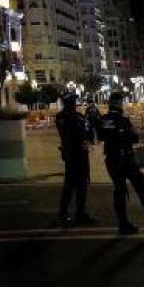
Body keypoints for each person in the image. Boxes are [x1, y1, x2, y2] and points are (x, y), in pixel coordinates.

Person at [98, 92, 144, 235]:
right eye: (122, 102)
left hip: (112, 159)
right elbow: (133, 138)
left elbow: (101, 136)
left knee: (119, 191)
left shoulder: (104, 119)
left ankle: (123, 223)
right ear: (119, 104)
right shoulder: (123, 120)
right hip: (126, 159)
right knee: (141, 188)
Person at [54, 92, 96, 226]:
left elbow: (88, 129)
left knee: (82, 185)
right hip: (72, 154)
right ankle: (63, 213)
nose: (74, 104)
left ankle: (81, 213)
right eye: (72, 101)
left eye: (74, 101)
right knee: (70, 185)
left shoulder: (79, 116)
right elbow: (67, 134)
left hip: (82, 153)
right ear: (67, 102)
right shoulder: (62, 117)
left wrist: (88, 139)